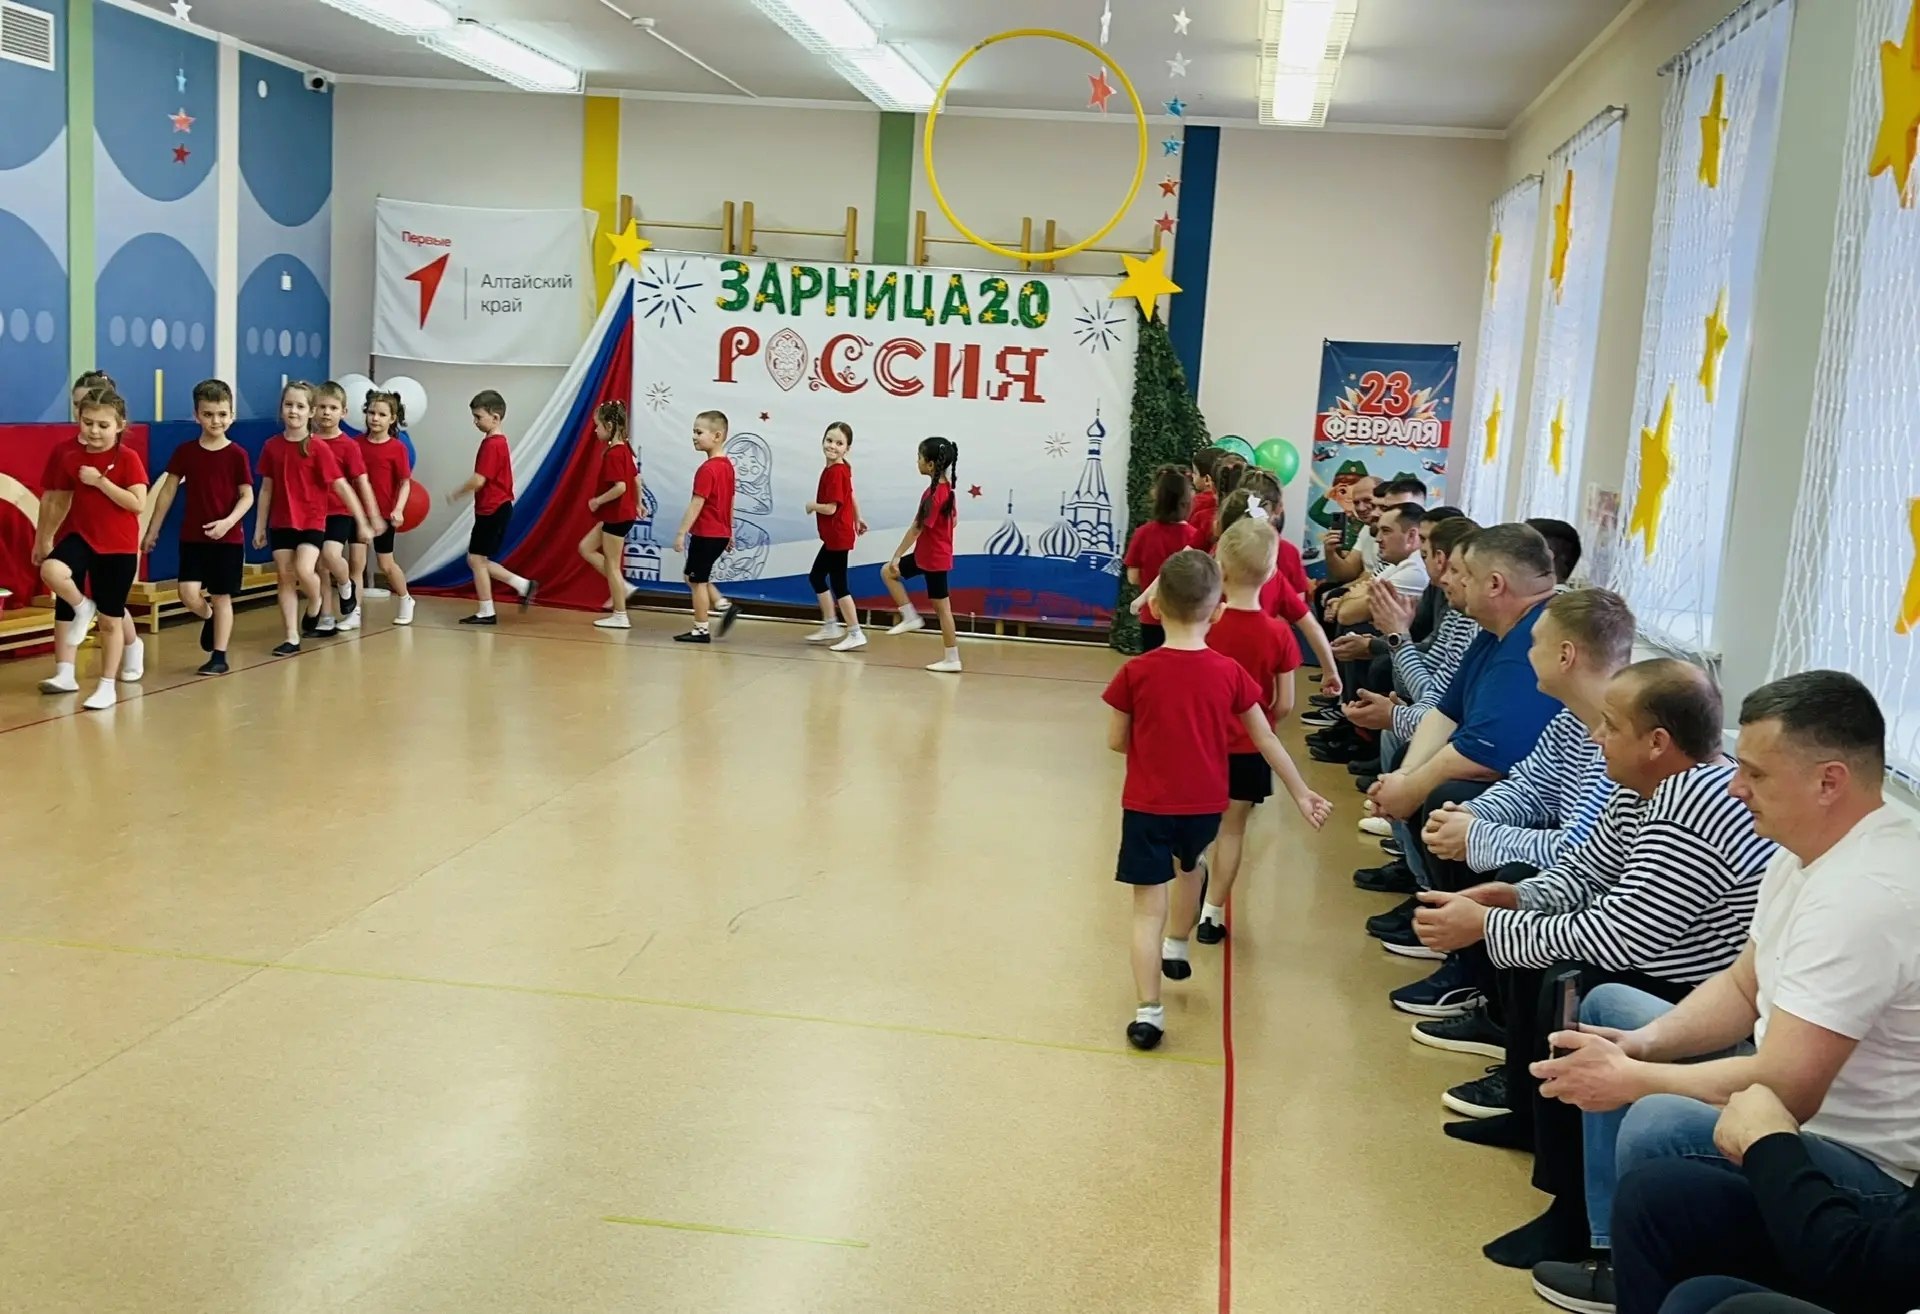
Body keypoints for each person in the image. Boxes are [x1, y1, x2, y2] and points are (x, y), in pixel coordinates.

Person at [1527, 671, 1920, 1314]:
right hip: (1786, 1093)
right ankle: (1610, 1249)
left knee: (1656, 1118)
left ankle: (1636, 1265)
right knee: (1612, 1009)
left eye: (1756, 774)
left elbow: (1787, 1087)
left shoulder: (1866, 895)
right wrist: (1641, 1046)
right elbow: (1742, 985)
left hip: (1869, 1170)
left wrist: (1633, 1079)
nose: (1736, 788)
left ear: (1829, 782)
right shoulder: (1804, 848)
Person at [1419, 660, 1776, 1274]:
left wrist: (1487, 927)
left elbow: (1621, 937)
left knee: (1573, 984)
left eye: (1610, 726)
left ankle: (1578, 1215)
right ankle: (1530, 1117)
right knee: (1539, 940)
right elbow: (1585, 874)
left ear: (1657, 743)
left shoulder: (1694, 804)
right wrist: (1511, 899)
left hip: (1691, 991)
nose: (1595, 736)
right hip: (1657, 962)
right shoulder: (1646, 786)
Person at [1101, 548, 1332, 1050]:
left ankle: (1148, 1012)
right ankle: (1178, 943)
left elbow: (1116, 741)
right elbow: (1266, 736)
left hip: (1146, 805)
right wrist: (1302, 792)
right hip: (1206, 805)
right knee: (1191, 866)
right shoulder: (1229, 673)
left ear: (1155, 606)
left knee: (1146, 908)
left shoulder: (1135, 673)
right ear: (1218, 611)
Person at [1386, 587, 1630, 1021]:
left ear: (1566, 656)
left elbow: (1584, 852)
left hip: (1607, 900)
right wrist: (1471, 816)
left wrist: (1480, 836)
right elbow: (1529, 784)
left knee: (1517, 872)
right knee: (1452, 803)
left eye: (1535, 644)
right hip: (1573, 864)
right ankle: (1464, 962)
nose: (1527, 654)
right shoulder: (1570, 717)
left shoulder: (1621, 737)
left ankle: (1496, 1010)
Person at [1613, 1083, 1920, 1314]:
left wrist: (1766, 1140)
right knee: (1656, 1199)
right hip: (1897, 1242)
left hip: (1882, 1186)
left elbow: (1788, 1081)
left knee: (1659, 1126)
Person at [1194, 516, 1310, 944]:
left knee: (1195, 824)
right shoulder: (1279, 633)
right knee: (1233, 830)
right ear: (1273, 571)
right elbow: (1285, 702)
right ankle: (1212, 914)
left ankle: (1189, 889)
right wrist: (1262, 721)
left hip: (1201, 745)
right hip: (1248, 750)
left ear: (1220, 568)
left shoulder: (1207, 624)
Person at [34, 386, 146, 710]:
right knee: (52, 569)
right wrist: (44, 537)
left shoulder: (128, 458)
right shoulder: (70, 454)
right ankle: (83, 606)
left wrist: (100, 481)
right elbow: (56, 498)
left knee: (111, 619)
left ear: (120, 426)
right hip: (82, 536)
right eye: (87, 423)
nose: (94, 431)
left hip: (118, 546)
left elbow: (137, 503)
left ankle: (107, 685)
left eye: (102, 425)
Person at [141, 379, 253, 675]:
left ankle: (219, 655)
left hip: (227, 539)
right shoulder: (186, 452)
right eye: (208, 414)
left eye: (222, 414)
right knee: (188, 593)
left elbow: (247, 495)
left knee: (222, 595)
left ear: (232, 415)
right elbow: (167, 491)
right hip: (193, 536)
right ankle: (210, 617)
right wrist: (153, 530)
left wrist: (228, 522)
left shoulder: (237, 454)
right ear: (196, 415)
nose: (216, 421)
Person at [255, 382, 370, 657]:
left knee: (305, 570)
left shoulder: (318, 448)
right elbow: (267, 489)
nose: (293, 411)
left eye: (300, 406)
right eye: (288, 405)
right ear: (281, 409)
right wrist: (260, 526)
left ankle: (317, 600)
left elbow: (342, 486)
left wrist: (363, 520)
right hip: (282, 521)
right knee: (285, 577)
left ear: (310, 412)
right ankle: (291, 636)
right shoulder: (271, 446)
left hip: (311, 521)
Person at [450, 389, 536, 626]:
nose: (475, 422)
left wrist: (457, 492)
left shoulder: (492, 445)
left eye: (478, 417)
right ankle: (521, 585)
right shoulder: (498, 443)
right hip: (494, 509)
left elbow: (479, 480)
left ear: (495, 417)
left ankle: (488, 610)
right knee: (477, 559)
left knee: (476, 560)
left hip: (493, 509)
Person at [881, 436, 963, 674]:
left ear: (930, 464)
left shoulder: (932, 495)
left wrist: (897, 555)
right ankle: (911, 617)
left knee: (942, 610)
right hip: (931, 557)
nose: (916, 461)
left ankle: (952, 658)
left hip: (932, 560)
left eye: (919, 457)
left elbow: (916, 528)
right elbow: (954, 522)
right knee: (888, 573)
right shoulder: (948, 491)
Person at [310, 381, 378, 635]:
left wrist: (369, 518)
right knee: (320, 566)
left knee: (331, 555)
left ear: (344, 412)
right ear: (313, 410)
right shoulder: (308, 442)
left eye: (332, 408)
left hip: (340, 511)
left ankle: (347, 587)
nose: (326, 413)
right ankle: (326, 616)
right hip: (314, 513)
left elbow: (360, 481)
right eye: (321, 407)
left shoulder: (349, 445)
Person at [669, 409, 738, 644]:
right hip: (719, 534)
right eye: (694, 432)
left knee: (697, 581)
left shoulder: (708, 470)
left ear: (717, 436)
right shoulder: (727, 467)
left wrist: (681, 533)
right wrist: (729, 531)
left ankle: (701, 629)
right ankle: (723, 605)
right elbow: (730, 501)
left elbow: (696, 503)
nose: (694, 437)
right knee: (692, 576)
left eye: (699, 432)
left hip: (707, 534)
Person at [802, 421, 867, 651]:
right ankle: (831, 625)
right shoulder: (840, 469)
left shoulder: (837, 472)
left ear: (847, 448)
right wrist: (858, 518)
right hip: (834, 536)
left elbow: (830, 508)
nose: (832, 446)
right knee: (817, 577)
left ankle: (855, 632)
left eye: (839, 443)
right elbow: (851, 495)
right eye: (829, 440)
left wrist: (812, 506)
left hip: (838, 537)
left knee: (839, 585)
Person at [579, 401, 641, 631]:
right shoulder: (625, 449)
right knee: (586, 547)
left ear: (608, 425)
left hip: (617, 516)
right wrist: (639, 503)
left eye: (597, 426)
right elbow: (637, 478)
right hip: (620, 515)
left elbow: (621, 487)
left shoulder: (614, 454)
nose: (595, 430)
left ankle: (620, 614)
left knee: (612, 565)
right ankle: (623, 587)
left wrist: (598, 501)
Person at [357, 390, 416, 626]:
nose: (375, 418)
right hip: (358, 514)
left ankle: (405, 598)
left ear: (392, 418)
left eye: (382, 414)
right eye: (371, 412)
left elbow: (405, 483)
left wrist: (399, 509)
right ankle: (354, 612)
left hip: (383, 515)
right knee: (356, 564)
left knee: (385, 564)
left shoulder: (397, 448)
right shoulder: (356, 445)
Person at [1124, 465, 1198, 653]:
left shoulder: (1143, 533)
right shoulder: (1195, 537)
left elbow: (1132, 577)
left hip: (1151, 614)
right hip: (1185, 617)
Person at [1187, 447, 1225, 549]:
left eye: (1195, 472)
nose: (1192, 475)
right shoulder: (1237, 502)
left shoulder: (1196, 503)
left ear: (1207, 479)